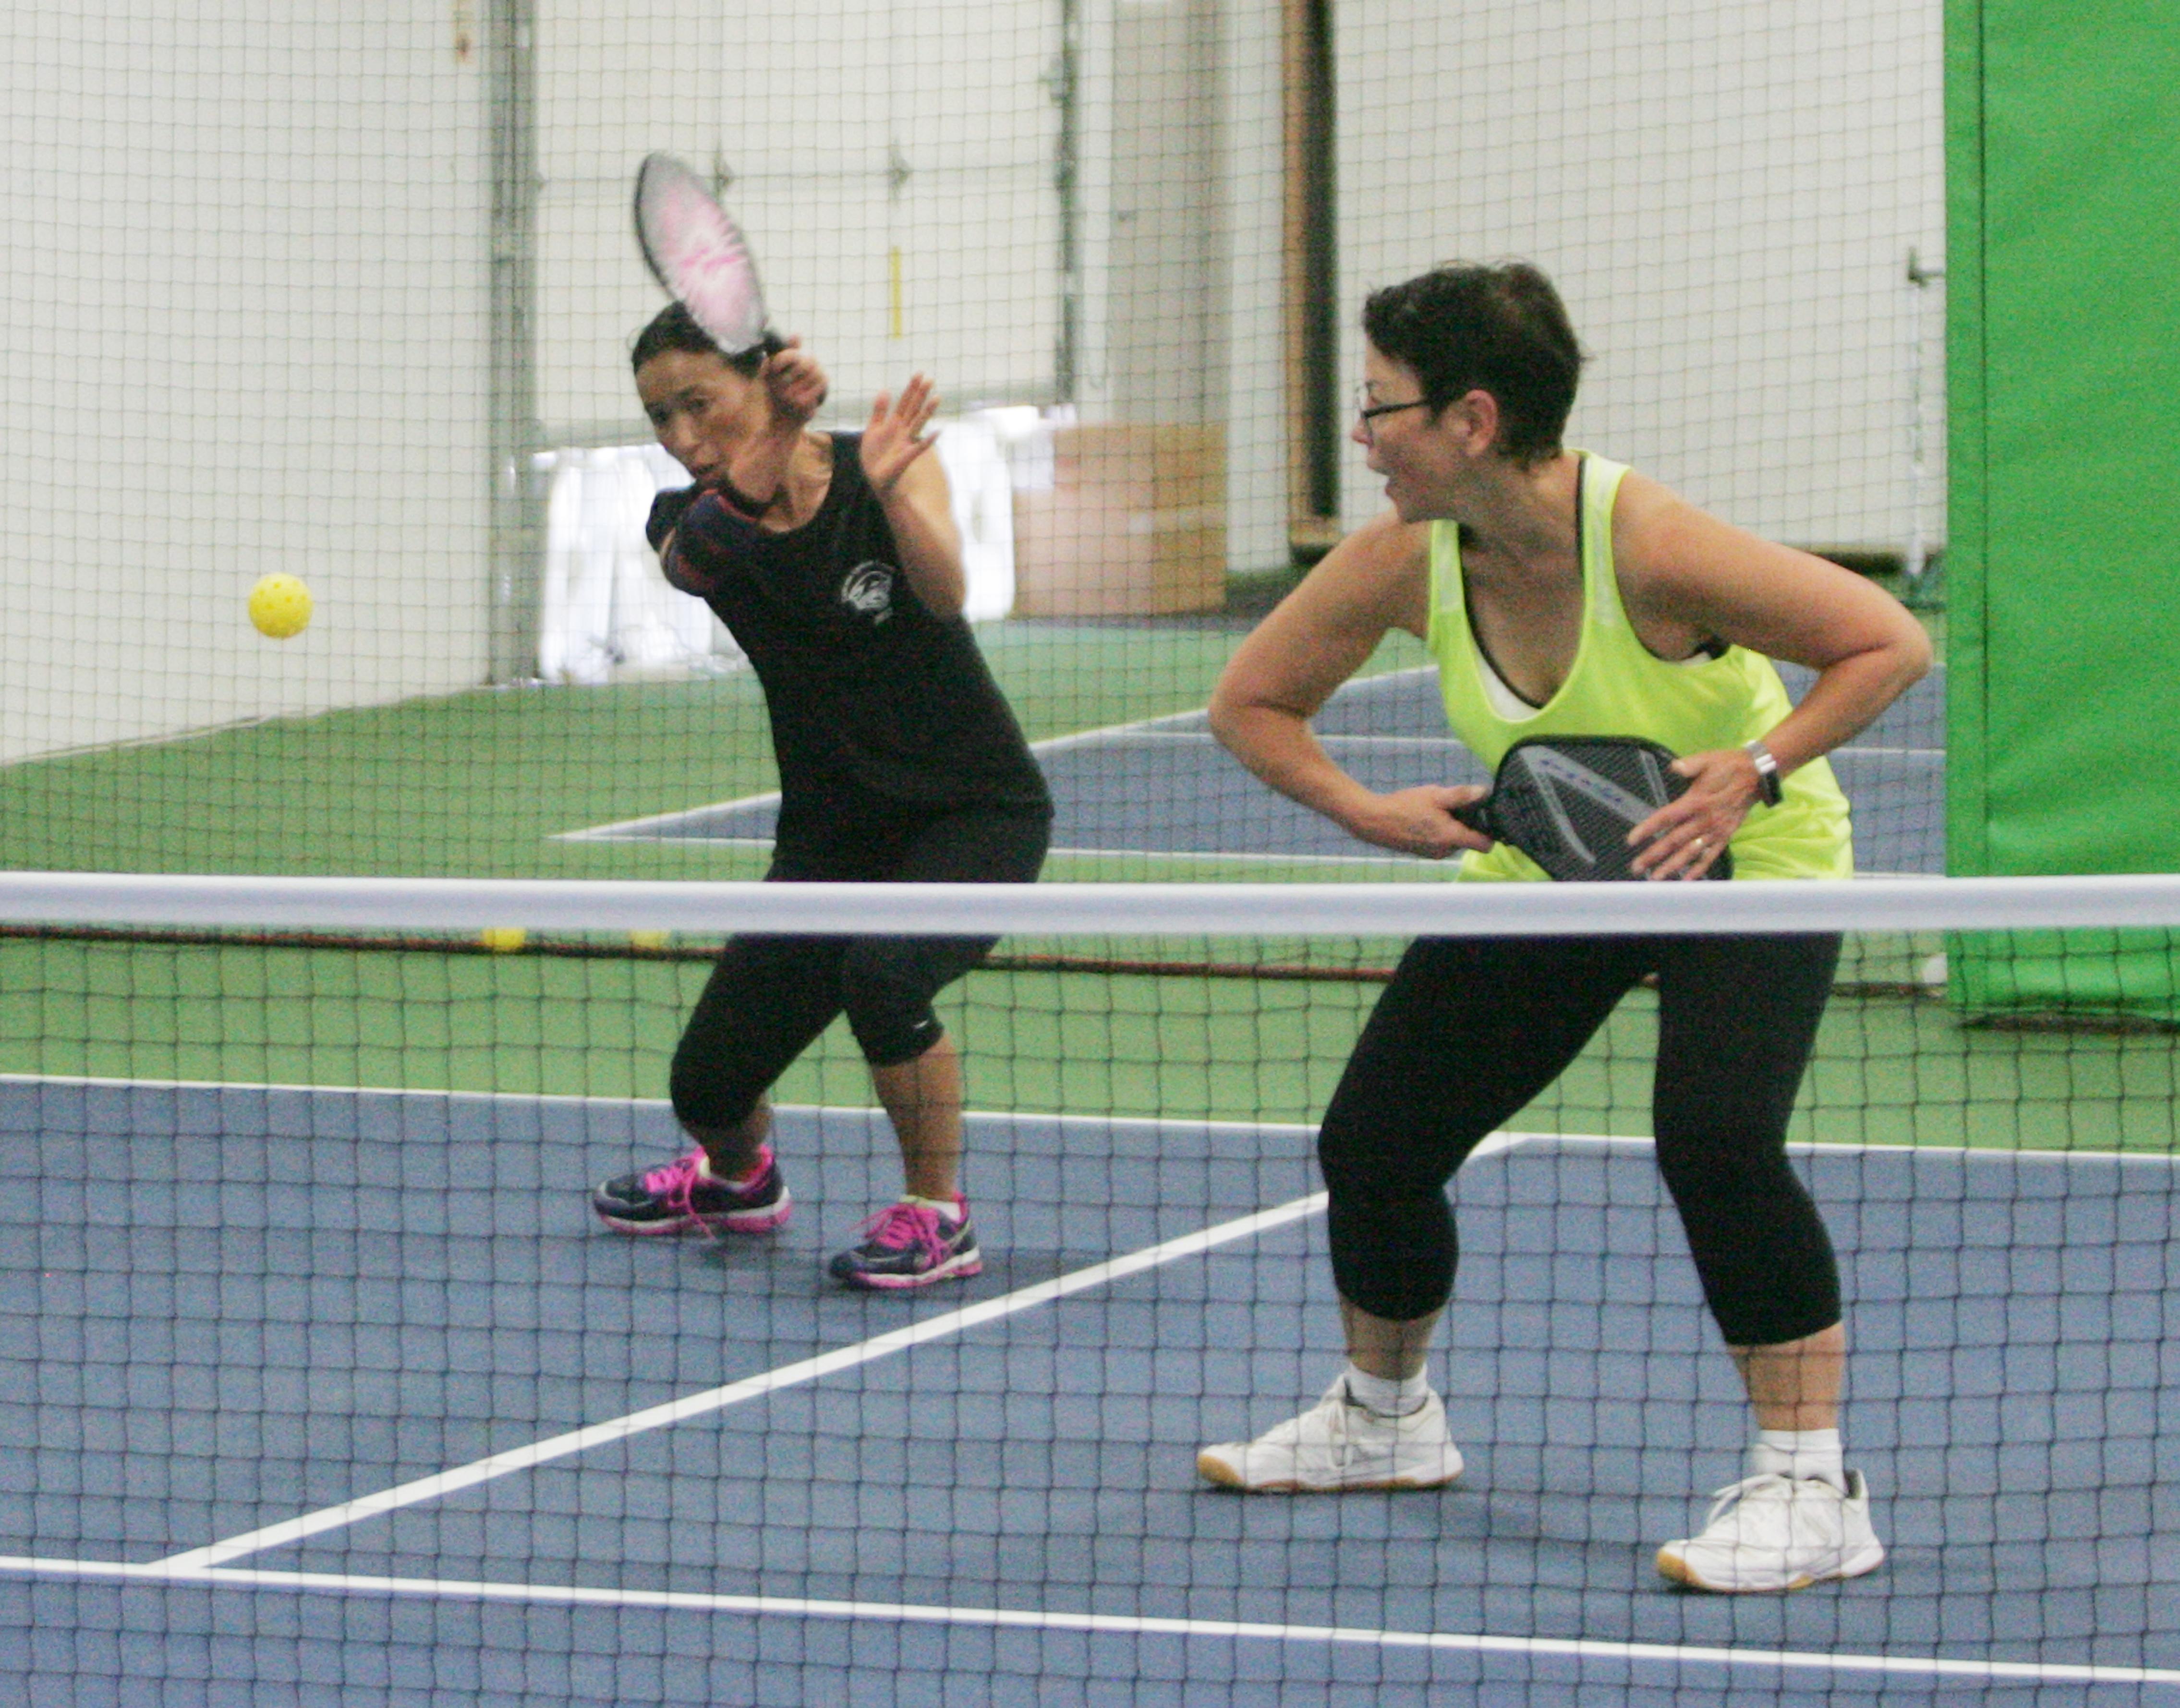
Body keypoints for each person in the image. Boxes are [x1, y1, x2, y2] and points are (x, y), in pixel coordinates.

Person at [1197, 262, 1931, 1593]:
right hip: (1560, 865)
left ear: (1468, 420)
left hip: (1745, 856)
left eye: (1377, 407)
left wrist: (1751, 767)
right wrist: (1372, 812)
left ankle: (1812, 1484)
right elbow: (1251, 703)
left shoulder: (1649, 544)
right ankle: (1382, 1420)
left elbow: (1884, 641)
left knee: (1714, 1138)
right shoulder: (1399, 563)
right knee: (1377, 1139)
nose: (1359, 436)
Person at [591, 304, 1052, 1289]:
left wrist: (890, 496)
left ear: (761, 377)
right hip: (832, 837)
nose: (679, 437)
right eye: (658, 417)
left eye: (697, 404)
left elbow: (942, 595)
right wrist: (782, 431)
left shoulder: (878, 461)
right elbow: (703, 566)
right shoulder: (683, 518)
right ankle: (737, 1180)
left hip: (973, 812)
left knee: (884, 977)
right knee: (706, 1082)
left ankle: (936, 1212)